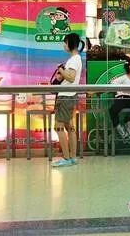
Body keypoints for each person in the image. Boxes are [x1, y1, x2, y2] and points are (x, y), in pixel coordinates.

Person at [52, 33, 84, 167]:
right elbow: (70, 77)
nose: (64, 45)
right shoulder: (76, 59)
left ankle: (66, 158)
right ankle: (73, 157)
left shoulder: (74, 59)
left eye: (65, 43)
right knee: (69, 127)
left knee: (58, 127)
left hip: (65, 97)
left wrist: (60, 69)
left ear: (70, 43)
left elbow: (71, 78)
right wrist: (62, 74)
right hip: (70, 96)